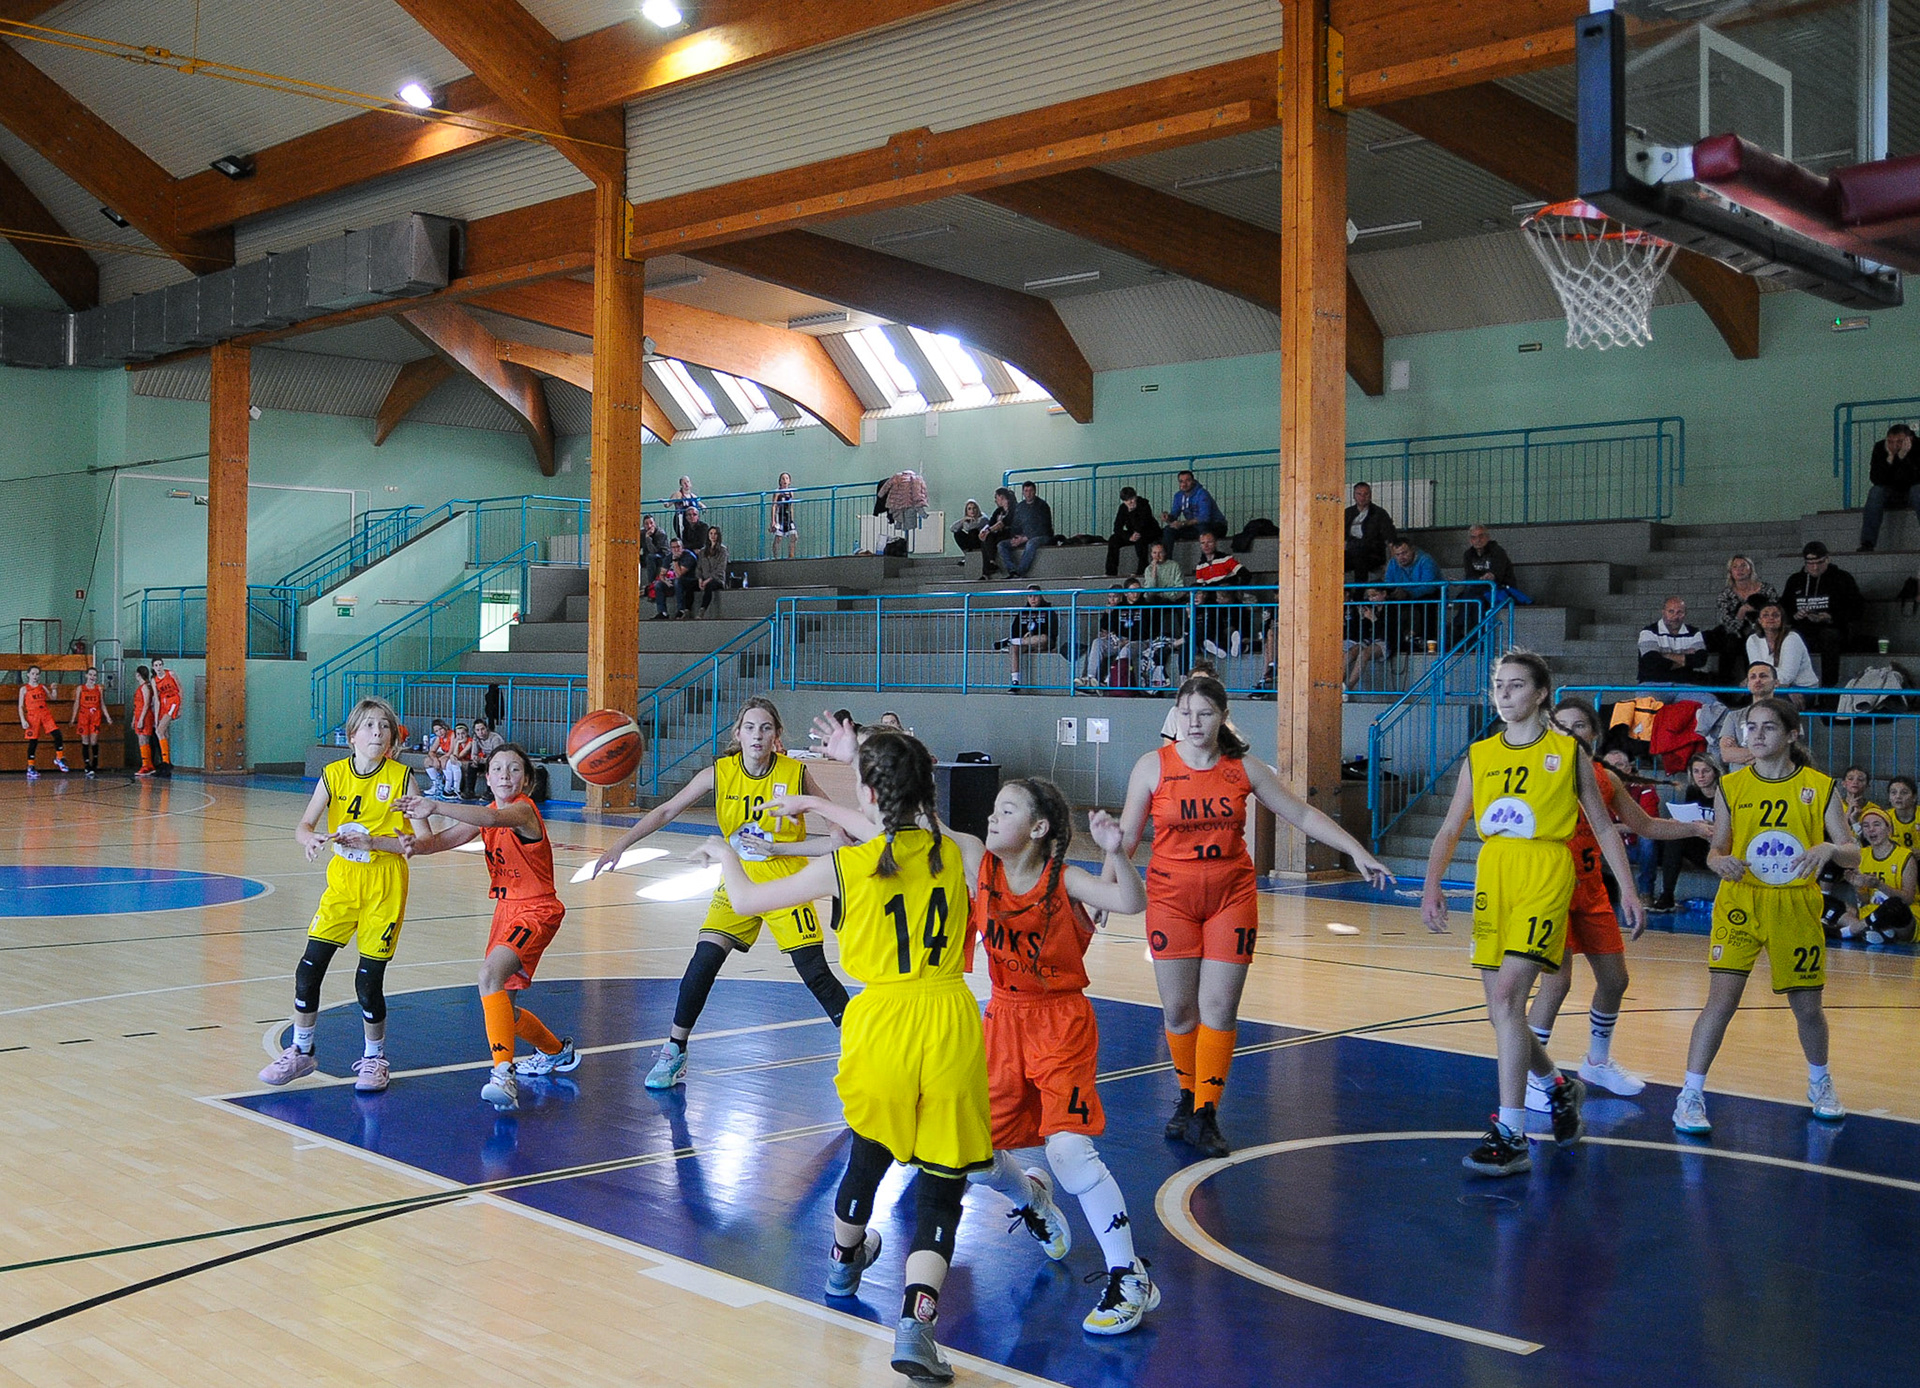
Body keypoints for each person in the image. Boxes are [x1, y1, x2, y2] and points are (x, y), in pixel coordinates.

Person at [690, 730, 988, 1384]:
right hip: (948, 1019)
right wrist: (837, 795)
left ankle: (843, 1261)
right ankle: (916, 1324)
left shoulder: (846, 866)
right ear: (928, 788)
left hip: (879, 1021)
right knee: (942, 1187)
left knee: (866, 1155)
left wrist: (724, 853)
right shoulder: (963, 850)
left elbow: (747, 900)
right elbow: (907, 829)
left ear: (869, 794)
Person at [1120, 673, 1392, 1157]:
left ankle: (1206, 1111)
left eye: (1205, 714)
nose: (1194, 723)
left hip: (1231, 897)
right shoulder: (1151, 767)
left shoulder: (1244, 767)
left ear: (1223, 717)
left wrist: (1355, 850)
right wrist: (1104, 893)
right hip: (1171, 900)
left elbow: (1301, 814)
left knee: (1219, 1008)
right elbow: (1123, 839)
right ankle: (1187, 1096)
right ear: (1175, 716)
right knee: (1179, 1011)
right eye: (1186, 714)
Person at [1420, 649, 1644, 1177]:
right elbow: (1450, 827)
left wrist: (1629, 890)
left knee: (1506, 997)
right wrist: (1432, 886)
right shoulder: (1480, 754)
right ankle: (1557, 1087)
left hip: (1546, 870)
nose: (1504, 693)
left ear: (1542, 693)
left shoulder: (1567, 753)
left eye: (1516, 684)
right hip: (1494, 873)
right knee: (1501, 1011)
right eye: (1499, 684)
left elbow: (1604, 825)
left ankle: (1511, 1133)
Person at [962, 780, 1160, 1334]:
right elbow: (915, 818)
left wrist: (1117, 851)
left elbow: (1131, 902)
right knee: (972, 1156)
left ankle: (1130, 1276)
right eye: (993, 807)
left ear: (1039, 828)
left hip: (1058, 1024)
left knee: (1071, 1152)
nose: (992, 817)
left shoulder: (1064, 880)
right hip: (1003, 1021)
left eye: (1006, 810)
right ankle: (1032, 1197)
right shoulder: (979, 863)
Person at [589, 699, 849, 1091]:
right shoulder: (720, 773)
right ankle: (675, 1049)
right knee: (704, 960)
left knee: (814, 972)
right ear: (738, 734)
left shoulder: (796, 773)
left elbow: (835, 825)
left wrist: (823, 844)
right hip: (738, 877)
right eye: (750, 727)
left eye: (766, 728)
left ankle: (864, 1046)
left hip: (786, 880)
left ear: (777, 736)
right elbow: (666, 811)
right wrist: (620, 844)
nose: (758, 735)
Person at [1673, 697, 1852, 1135]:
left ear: (1792, 734)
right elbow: (1717, 849)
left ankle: (1820, 1081)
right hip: (1741, 902)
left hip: (1795, 903)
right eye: (1750, 727)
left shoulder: (1819, 787)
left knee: (1807, 1007)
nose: (1756, 735)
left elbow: (1853, 852)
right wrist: (1719, 862)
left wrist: (1830, 847)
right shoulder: (1732, 786)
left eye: (1768, 727)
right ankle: (1690, 1095)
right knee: (1720, 1002)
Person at [1526, 700, 1710, 1106]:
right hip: (1548, 889)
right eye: (1562, 725)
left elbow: (1644, 824)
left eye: (1579, 725)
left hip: (1590, 889)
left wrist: (1695, 828)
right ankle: (1533, 1078)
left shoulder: (1603, 777)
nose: (1570, 732)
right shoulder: (1537, 770)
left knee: (1615, 980)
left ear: (1594, 735)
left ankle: (1597, 1061)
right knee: (1556, 982)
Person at [260, 697, 428, 1093]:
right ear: (352, 735)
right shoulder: (334, 775)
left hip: (384, 883)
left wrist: (376, 842)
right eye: (369, 725)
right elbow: (304, 824)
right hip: (343, 881)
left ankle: (374, 1058)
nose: (377, 732)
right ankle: (301, 1051)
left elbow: (423, 840)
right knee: (308, 968)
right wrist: (309, 839)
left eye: (384, 726)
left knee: (368, 981)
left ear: (392, 738)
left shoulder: (402, 778)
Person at [400, 743, 577, 1111]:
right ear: (488, 777)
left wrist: (435, 805)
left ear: (526, 780)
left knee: (488, 976)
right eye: (497, 769)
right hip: (505, 912)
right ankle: (556, 1051)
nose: (505, 775)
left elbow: (494, 820)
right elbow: (437, 842)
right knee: (503, 1009)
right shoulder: (488, 813)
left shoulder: (522, 811)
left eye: (514, 769)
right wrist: (391, 843)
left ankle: (502, 1076)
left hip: (535, 910)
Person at [1825, 806, 1916, 944]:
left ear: (1889, 829)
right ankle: (1874, 931)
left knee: (1894, 905)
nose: (1871, 829)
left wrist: (1879, 885)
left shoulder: (1905, 856)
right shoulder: (1862, 855)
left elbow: (1908, 899)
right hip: (1870, 914)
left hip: (1900, 919)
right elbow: (1865, 901)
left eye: (1876, 824)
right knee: (1823, 899)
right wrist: (1859, 887)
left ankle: (1851, 931)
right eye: (1866, 826)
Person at [1780, 541, 1863, 690]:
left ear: (1827, 559)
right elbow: (1783, 609)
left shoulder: (1842, 579)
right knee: (1789, 637)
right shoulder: (1795, 580)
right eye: (1810, 563)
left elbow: (1857, 609)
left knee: (1829, 636)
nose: (1815, 567)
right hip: (1803, 629)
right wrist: (1795, 616)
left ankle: (1828, 691)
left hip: (1833, 630)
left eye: (1819, 562)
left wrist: (1829, 617)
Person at [1653, 754, 1721, 911]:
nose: (1701, 776)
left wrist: (1711, 826)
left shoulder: (1726, 792)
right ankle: (1667, 895)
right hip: (1698, 844)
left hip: (1719, 845)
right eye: (1696, 771)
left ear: (1715, 772)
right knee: (1674, 837)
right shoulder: (1693, 791)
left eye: (1706, 771)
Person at [1858, 422, 1919, 552]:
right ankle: (1867, 543)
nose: (1894, 446)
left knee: (1917, 490)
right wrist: (1890, 459)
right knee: (1875, 492)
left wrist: (1902, 458)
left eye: (1899, 442)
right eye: (1890, 441)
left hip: (1912, 492)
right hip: (1890, 493)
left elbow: (1916, 478)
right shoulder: (1881, 448)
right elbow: (1876, 479)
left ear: (1909, 439)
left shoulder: (1918, 447)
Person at [1191, 531, 1250, 660]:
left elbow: (1246, 575)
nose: (1206, 545)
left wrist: (1233, 590)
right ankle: (1216, 643)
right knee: (1210, 611)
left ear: (1215, 543)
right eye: (1203, 543)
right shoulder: (1200, 566)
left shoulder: (1226, 559)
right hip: (1212, 600)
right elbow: (1200, 587)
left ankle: (1238, 638)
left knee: (1237, 609)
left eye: (1209, 542)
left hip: (1230, 596)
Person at [1746, 600, 1818, 698]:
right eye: (1766, 615)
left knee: (1773, 701)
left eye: (1775, 615)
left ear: (1782, 620)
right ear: (1759, 620)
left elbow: (1787, 677)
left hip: (1800, 688)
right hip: (1768, 686)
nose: (1770, 618)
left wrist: (1766, 681)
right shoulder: (1753, 640)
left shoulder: (1792, 638)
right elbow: (1756, 670)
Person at [1716, 555, 1775, 670]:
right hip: (1737, 634)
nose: (1739, 570)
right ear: (1730, 572)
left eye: (1743, 566)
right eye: (1735, 567)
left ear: (1750, 569)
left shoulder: (1767, 589)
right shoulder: (1725, 595)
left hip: (1763, 631)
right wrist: (1741, 612)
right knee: (1730, 643)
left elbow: (1775, 612)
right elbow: (1729, 626)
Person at [1636, 597, 1713, 685]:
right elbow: (1653, 662)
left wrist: (1664, 655)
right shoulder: (1649, 632)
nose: (1675, 617)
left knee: (1708, 694)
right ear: (1663, 612)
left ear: (1685, 613)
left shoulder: (1694, 632)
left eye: (1680, 612)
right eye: (1671, 611)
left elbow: (1700, 660)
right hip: (1653, 684)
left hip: (1684, 684)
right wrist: (1685, 659)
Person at [1077, 587, 1144, 689]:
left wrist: (1126, 639)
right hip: (1115, 641)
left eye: (1115, 597)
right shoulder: (1112, 610)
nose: (1112, 600)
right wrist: (1107, 614)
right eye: (1110, 597)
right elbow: (1104, 627)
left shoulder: (1128, 608)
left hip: (1130, 642)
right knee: (1096, 643)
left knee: (1123, 650)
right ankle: (1089, 678)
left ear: (1121, 597)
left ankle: (1107, 681)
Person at [1716, 660, 1780, 766]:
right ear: (1748, 684)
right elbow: (1726, 755)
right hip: (1741, 776)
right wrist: (1768, 754)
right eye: (1753, 677)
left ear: (1776, 683)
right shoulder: (1734, 716)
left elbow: (1789, 752)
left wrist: (1740, 752)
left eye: (1763, 676)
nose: (1758, 680)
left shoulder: (1787, 714)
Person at [1384, 536, 1443, 648]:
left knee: (1427, 602)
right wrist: (1395, 592)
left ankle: (1428, 640)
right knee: (1388, 604)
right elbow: (1388, 583)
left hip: (1427, 594)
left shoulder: (1426, 560)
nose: (1401, 557)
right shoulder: (1392, 563)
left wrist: (1408, 593)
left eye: (1404, 553)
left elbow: (1429, 586)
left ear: (1412, 550)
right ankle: (1393, 642)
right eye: (1398, 555)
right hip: (1403, 595)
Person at [16, 665, 68, 778]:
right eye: (33, 674)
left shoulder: (42, 687)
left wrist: (54, 689)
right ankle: (30, 767)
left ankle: (59, 758)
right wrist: (23, 720)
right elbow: (20, 706)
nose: (35, 676)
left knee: (57, 734)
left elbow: (53, 698)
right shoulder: (24, 689)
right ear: (28, 674)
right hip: (32, 716)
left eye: (37, 674)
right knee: (33, 741)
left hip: (44, 713)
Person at [997, 481, 1055, 579]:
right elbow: (1015, 525)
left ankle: (1020, 572)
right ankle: (1012, 570)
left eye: (1030, 490)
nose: (1028, 493)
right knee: (1001, 545)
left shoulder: (1042, 506)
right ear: (1023, 492)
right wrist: (1016, 538)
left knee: (1031, 543)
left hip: (1042, 536)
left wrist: (1025, 538)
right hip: (1023, 537)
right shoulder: (1020, 507)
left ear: (1035, 491)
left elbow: (1043, 527)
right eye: (1026, 491)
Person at [1462, 524, 1528, 607]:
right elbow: (1470, 575)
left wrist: (1490, 576)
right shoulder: (1468, 554)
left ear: (1487, 537)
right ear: (1470, 540)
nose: (1478, 540)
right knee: (1471, 595)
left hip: (1500, 588)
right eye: (1474, 537)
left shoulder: (1497, 551)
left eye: (1481, 536)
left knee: (1474, 596)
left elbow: (1498, 574)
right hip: (1479, 589)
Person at [1104, 486, 1162, 578]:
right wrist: (1128, 536)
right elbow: (1117, 527)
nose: (1130, 502)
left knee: (1140, 540)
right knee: (1113, 539)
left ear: (1135, 497)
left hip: (1148, 531)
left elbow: (1143, 523)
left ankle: (1142, 570)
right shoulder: (1123, 508)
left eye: (1132, 499)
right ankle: (1111, 572)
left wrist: (1131, 512)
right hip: (1132, 533)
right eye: (1127, 500)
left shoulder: (1144, 504)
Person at [1343, 482, 1395, 583]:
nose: (1362, 497)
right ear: (1354, 496)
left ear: (1370, 495)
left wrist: (1391, 561)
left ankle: (1360, 591)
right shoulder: (1347, 513)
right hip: (1351, 551)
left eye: (1366, 494)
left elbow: (1390, 537)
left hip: (1373, 554)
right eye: (1359, 494)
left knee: (1360, 558)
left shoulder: (1380, 514)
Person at [1343, 588, 1390, 690]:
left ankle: (1347, 688)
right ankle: (1337, 685)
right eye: (1369, 596)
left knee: (1364, 654)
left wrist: (1374, 619)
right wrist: (1363, 619)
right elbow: (1363, 632)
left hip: (1385, 641)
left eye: (1374, 595)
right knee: (1350, 653)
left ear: (1384, 594)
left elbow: (1386, 633)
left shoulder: (1392, 608)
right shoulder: (1370, 608)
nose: (1371, 599)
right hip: (1369, 640)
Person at [68, 666, 110, 778]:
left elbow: (102, 703)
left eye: (94, 675)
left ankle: (95, 760)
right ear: (86, 675)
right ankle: (87, 765)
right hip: (84, 716)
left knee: (94, 740)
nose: (92, 677)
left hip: (95, 716)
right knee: (85, 741)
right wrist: (73, 718)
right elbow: (76, 703)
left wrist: (107, 716)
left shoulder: (98, 688)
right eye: (90, 674)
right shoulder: (80, 688)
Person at [1162, 469, 1225, 542]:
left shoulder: (1202, 494)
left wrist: (1183, 523)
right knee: (1168, 530)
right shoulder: (1178, 496)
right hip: (1194, 527)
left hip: (1216, 526)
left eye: (1188, 481)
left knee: (1203, 527)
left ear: (1193, 481)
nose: (1184, 484)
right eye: (1181, 481)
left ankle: (1207, 549)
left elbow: (1204, 518)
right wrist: (1168, 517)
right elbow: (1174, 514)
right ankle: (1165, 550)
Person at [150, 656, 182, 777]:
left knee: (159, 731)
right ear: (153, 667)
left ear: (163, 665)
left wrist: (180, 708)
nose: (158, 667)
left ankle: (165, 763)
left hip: (173, 701)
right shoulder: (154, 680)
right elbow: (156, 700)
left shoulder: (171, 674)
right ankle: (167, 762)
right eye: (156, 665)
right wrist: (156, 718)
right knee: (163, 732)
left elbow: (180, 689)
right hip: (163, 703)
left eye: (160, 665)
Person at [976, 487, 1016, 580]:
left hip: (1011, 533)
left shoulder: (1014, 509)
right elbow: (991, 523)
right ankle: (989, 566)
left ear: (1001, 497)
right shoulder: (999, 511)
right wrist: (983, 531)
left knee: (991, 537)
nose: (995, 501)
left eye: (996, 497)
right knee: (985, 540)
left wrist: (989, 530)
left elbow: (1003, 523)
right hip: (1000, 534)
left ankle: (990, 564)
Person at [461, 717, 504, 800]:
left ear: (487, 728)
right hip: (486, 761)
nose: (480, 732)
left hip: (499, 762)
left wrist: (481, 760)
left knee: (492, 767)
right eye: (477, 730)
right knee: (472, 765)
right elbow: (474, 754)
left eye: (482, 729)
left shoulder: (495, 739)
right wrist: (475, 760)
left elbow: (497, 757)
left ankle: (490, 792)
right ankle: (470, 791)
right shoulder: (476, 738)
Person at [654, 538, 697, 620]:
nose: (676, 549)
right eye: (673, 547)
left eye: (678, 547)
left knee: (677, 581)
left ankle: (681, 610)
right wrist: (665, 581)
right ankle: (663, 612)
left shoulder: (689, 556)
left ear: (682, 547)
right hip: (675, 580)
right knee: (658, 585)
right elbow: (662, 574)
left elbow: (679, 574)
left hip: (690, 580)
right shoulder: (669, 557)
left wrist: (675, 560)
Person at [694, 525, 730, 617]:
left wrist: (707, 580)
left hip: (717, 580)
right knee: (689, 585)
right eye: (711, 533)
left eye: (715, 534)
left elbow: (721, 569)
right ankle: (685, 610)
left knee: (709, 586)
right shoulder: (703, 551)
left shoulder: (723, 550)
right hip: (704, 578)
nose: (713, 536)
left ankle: (702, 609)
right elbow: (699, 567)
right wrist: (700, 579)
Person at [1876, 773, 1919, 850]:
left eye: (1904, 793)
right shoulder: (1884, 817)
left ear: (1914, 797)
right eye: (1893, 792)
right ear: (1889, 797)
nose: (1898, 796)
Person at [131, 665, 158, 777]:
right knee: (142, 741)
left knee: (144, 740)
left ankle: (146, 765)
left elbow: (146, 704)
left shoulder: (145, 687)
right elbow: (137, 705)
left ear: (138, 674)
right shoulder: (143, 687)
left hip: (145, 716)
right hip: (139, 715)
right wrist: (134, 719)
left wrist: (141, 719)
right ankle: (149, 765)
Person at [1839, 764, 1873, 840]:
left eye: (1860, 780)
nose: (1855, 782)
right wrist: (1848, 813)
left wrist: (1854, 821)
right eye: (1850, 779)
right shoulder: (1836, 805)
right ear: (1843, 783)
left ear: (1867, 785)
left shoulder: (1873, 809)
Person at [771, 471, 799, 560]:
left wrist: (792, 519)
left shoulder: (790, 492)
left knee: (794, 536)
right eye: (783, 479)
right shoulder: (777, 492)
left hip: (788, 517)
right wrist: (773, 521)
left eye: (787, 478)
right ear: (780, 481)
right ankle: (775, 557)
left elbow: (791, 507)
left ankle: (791, 556)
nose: (785, 480)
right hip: (779, 517)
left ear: (789, 481)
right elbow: (774, 506)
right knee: (778, 538)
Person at [639, 514, 669, 590]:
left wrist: (648, 538)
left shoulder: (660, 533)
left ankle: (651, 583)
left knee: (650, 557)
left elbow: (654, 551)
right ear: (643, 525)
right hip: (648, 555)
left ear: (654, 524)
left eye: (651, 523)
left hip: (662, 555)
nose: (649, 526)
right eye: (646, 524)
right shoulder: (642, 533)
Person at [668, 475, 702, 540]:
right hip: (681, 520)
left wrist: (703, 508)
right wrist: (665, 502)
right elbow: (668, 504)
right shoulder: (678, 494)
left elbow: (701, 505)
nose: (686, 484)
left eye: (688, 482)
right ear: (681, 485)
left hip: (692, 522)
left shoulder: (694, 496)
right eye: (684, 483)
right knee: (682, 538)